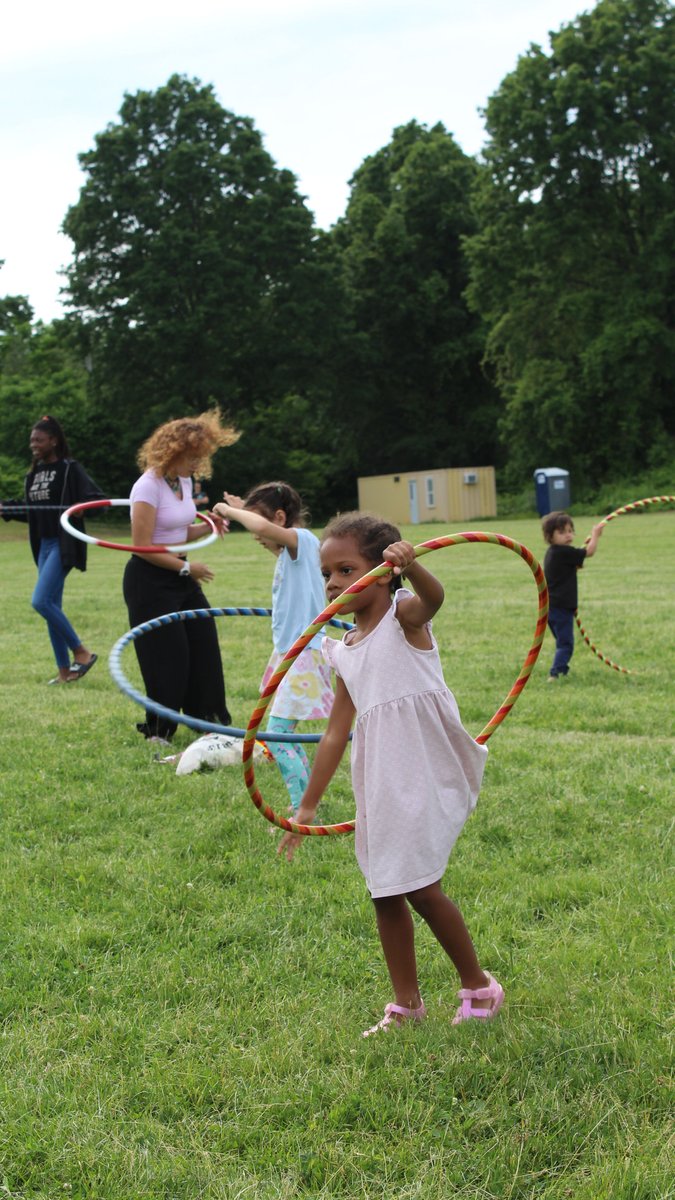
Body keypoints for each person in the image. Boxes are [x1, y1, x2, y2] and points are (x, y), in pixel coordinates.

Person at [278, 512, 503, 1036]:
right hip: (380, 779)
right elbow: (334, 734)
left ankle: (479, 986)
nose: (332, 583)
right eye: (326, 573)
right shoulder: (344, 651)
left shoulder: (404, 618)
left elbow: (434, 600)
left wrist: (414, 566)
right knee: (384, 891)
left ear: (383, 571)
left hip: (422, 768)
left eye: (345, 569)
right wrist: (307, 806)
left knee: (421, 887)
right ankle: (406, 1004)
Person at [213, 482, 334, 812]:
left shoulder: (303, 540)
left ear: (280, 517)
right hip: (291, 652)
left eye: (258, 525)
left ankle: (302, 810)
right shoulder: (289, 554)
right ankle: (309, 804)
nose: (256, 535)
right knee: (284, 735)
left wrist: (230, 512)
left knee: (278, 737)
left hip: (303, 655)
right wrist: (244, 510)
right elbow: (266, 532)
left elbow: (265, 529)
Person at [123, 411, 239, 744]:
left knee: (204, 643)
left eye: (201, 457)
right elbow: (143, 546)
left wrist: (208, 527)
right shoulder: (147, 487)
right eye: (192, 457)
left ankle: (211, 724)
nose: (198, 464)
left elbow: (178, 530)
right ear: (172, 452)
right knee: (166, 656)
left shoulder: (183, 482)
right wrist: (187, 568)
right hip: (149, 579)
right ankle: (159, 731)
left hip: (180, 576)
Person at [0, 415, 102, 684]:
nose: (33, 444)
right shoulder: (33, 474)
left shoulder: (69, 469)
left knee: (41, 601)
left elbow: (97, 500)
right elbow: (33, 511)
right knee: (51, 606)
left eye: (39, 440)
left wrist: (78, 510)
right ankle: (64, 671)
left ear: (53, 441)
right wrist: (6, 509)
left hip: (62, 543)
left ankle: (82, 652)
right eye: (31, 440)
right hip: (43, 545)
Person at [542, 511, 604, 681]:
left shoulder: (553, 552)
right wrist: (595, 535)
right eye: (562, 532)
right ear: (550, 536)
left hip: (550, 608)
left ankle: (560, 669)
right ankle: (556, 673)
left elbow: (567, 568)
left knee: (562, 641)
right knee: (566, 644)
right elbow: (589, 551)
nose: (568, 535)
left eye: (570, 531)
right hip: (561, 607)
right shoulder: (564, 552)